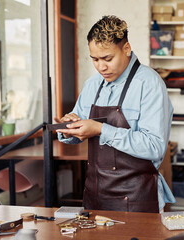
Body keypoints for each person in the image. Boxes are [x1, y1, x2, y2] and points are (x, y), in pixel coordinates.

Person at [56, 15, 175, 213]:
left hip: (137, 198)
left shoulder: (149, 83)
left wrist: (101, 130)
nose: (101, 67)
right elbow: (77, 127)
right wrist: (68, 127)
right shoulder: (93, 84)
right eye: (95, 59)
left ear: (126, 49)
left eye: (107, 58)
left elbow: (154, 146)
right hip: (95, 197)